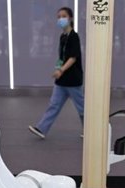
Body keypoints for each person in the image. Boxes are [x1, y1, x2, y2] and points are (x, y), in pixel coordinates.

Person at [28, 7, 84, 139]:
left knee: (82, 108)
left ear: (70, 18)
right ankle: (41, 129)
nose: (60, 19)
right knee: (54, 105)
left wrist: (61, 70)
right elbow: (62, 56)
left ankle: (89, 130)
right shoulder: (62, 37)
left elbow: (73, 57)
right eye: (58, 17)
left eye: (63, 16)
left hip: (73, 80)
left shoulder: (74, 37)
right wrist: (58, 68)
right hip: (61, 80)